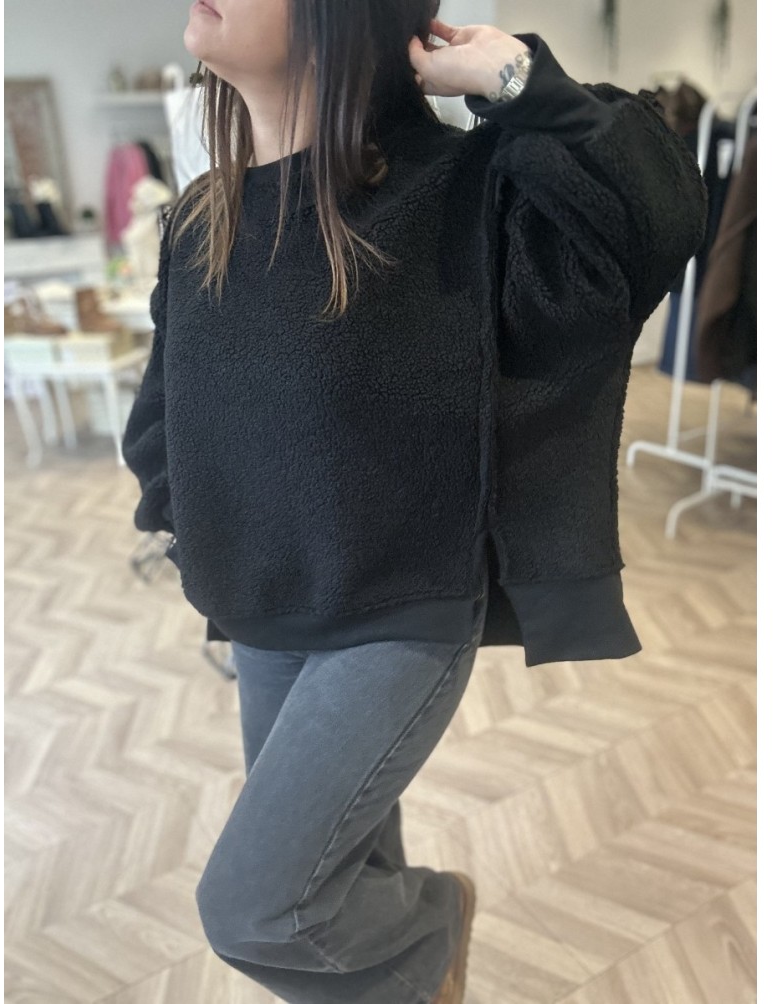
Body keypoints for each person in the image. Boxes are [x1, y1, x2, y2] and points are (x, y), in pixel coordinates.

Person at [122, 2, 707, 1001]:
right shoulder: (201, 220)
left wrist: (514, 81)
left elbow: (655, 218)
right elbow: (169, 415)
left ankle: (435, 919)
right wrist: (197, 534)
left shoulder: (459, 192)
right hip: (264, 613)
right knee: (344, 881)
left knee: (262, 908)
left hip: (401, 611)